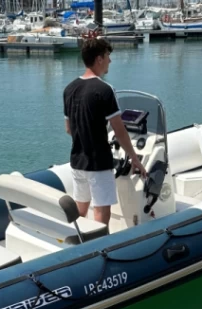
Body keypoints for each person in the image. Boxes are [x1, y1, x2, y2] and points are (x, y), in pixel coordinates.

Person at [63, 37, 147, 226]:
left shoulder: (69, 89)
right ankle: (98, 250)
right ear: (99, 58)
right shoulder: (105, 90)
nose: (110, 60)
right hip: (99, 163)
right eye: (108, 56)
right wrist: (134, 159)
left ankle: (78, 246)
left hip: (77, 161)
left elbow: (69, 128)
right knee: (101, 213)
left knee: (81, 209)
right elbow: (119, 131)